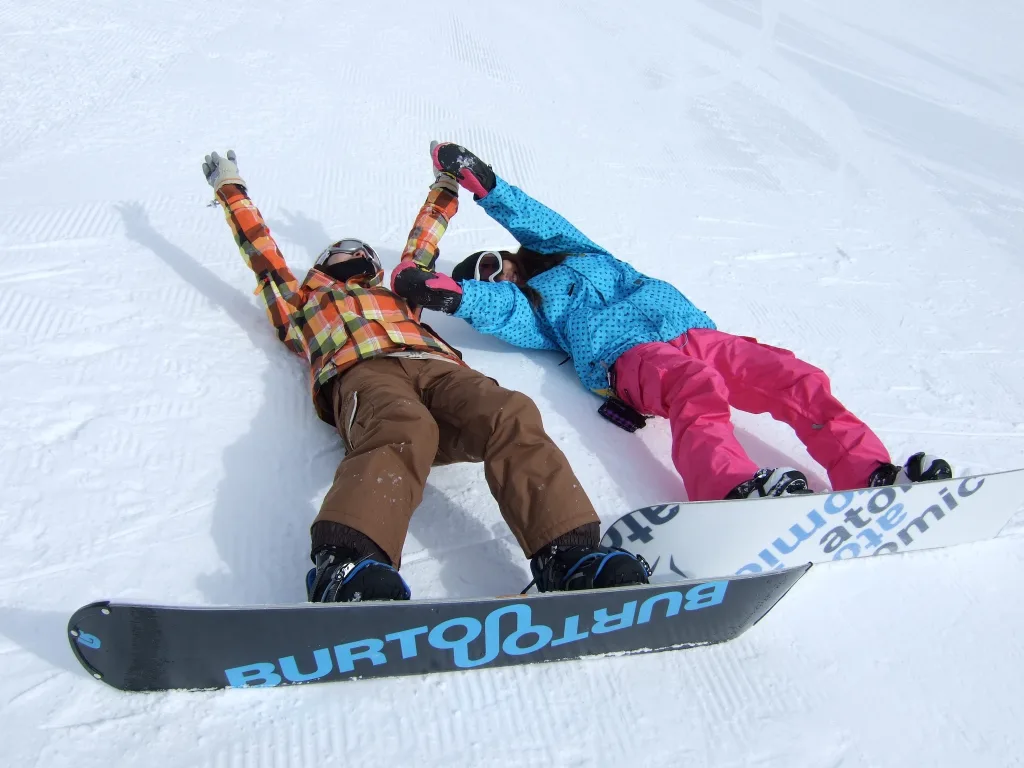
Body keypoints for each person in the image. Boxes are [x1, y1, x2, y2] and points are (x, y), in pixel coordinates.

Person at [201, 149, 650, 602]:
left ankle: (569, 558)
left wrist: (446, 186)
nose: (350, 254)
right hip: (366, 372)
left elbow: (423, 243)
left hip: (439, 370)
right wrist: (230, 189)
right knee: (404, 428)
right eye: (340, 253)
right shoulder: (300, 306)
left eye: (360, 252)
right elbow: (264, 256)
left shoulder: (398, 296)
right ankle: (349, 564)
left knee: (510, 411)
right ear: (322, 267)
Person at [390, 142, 953, 503]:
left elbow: (541, 220)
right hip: (627, 356)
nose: (495, 277)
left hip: (693, 330)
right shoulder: (535, 307)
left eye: (491, 263)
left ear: (509, 254)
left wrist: (483, 183)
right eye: (484, 277)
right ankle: (730, 485)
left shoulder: (571, 251)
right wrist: (448, 293)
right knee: (694, 389)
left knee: (794, 376)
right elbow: (500, 311)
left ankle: (871, 472)